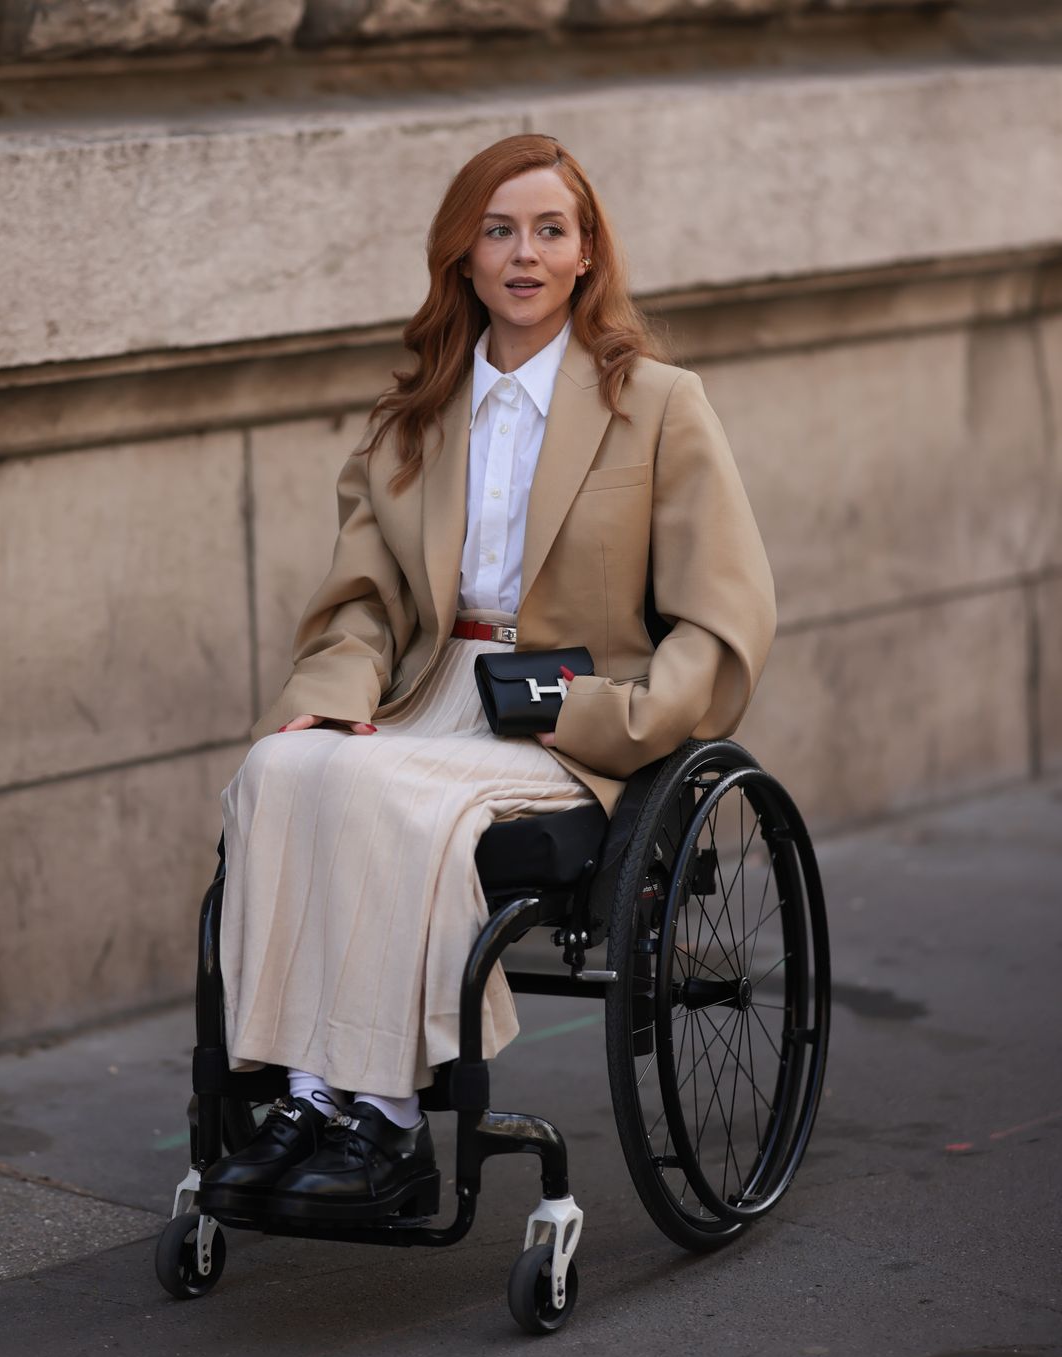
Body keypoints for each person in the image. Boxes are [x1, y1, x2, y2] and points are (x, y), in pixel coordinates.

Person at [200, 133, 776, 1226]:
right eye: (496, 231)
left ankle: (385, 1118)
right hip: (429, 689)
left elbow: (722, 614)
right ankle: (304, 1096)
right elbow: (365, 599)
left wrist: (624, 717)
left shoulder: (658, 404)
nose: (523, 254)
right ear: (462, 258)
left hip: (562, 711)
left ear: (585, 252)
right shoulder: (414, 416)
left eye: (548, 231)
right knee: (279, 771)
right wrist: (337, 696)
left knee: (385, 799)